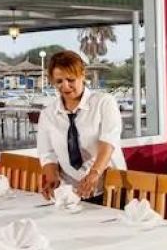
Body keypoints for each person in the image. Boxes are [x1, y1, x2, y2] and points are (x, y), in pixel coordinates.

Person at [36, 50, 127, 202]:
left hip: (109, 189)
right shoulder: (48, 114)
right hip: (70, 192)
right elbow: (47, 153)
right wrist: (52, 177)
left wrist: (94, 174)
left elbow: (109, 142)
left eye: (70, 79)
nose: (65, 86)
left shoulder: (104, 103)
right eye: (59, 81)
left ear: (83, 75)